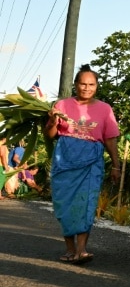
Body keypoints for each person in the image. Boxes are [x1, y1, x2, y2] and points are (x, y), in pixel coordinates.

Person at [44, 65, 121, 264]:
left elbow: (110, 140)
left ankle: (82, 249)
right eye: (83, 84)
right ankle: (70, 248)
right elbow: (50, 135)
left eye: (91, 84)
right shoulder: (61, 105)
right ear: (76, 84)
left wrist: (115, 165)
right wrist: (52, 121)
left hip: (91, 162)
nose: (86, 88)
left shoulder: (105, 109)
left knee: (86, 203)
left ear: (96, 86)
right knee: (65, 204)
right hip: (65, 160)